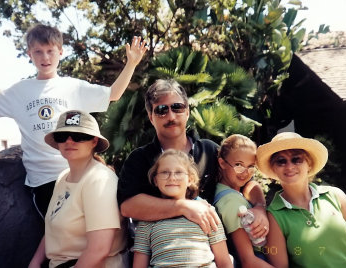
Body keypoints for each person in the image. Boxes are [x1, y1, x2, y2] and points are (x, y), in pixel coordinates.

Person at [0, 24, 148, 217]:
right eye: (38, 52)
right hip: (44, 181)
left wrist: (131, 63)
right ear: (29, 54)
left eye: (50, 51)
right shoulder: (19, 91)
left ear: (60, 52)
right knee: (62, 236)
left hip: (80, 174)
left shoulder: (73, 87)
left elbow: (113, 94)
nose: (45, 57)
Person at [117, 79, 268, 235]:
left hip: (216, 249)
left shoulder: (209, 151)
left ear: (187, 112)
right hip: (162, 252)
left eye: (177, 107)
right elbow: (128, 206)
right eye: (161, 110)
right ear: (151, 117)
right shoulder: (139, 159)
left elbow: (246, 182)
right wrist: (183, 207)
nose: (171, 116)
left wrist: (259, 207)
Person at [256, 132, 346, 268]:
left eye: (296, 159)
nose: (289, 166)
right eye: (281, 161)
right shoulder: (274, 215)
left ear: (309, 164)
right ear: (273, 169)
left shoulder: (335, 195)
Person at [28, 110, 127, 268]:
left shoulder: (99, 180)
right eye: (62, 136)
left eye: (79, 136)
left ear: (94, 141)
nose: (69, 141)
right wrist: (35, 262)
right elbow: (53, 228)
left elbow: (99, 250)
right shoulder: (63, 177)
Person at [133, 149, 233, 267]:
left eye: (179, 172)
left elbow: (224, 262)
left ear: (190, 179)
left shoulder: (206, 211)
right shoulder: (147, 219)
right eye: (165, 172)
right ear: (155, 180)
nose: (172, 177)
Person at [214, 134, 273, 268]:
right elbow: (248, 261)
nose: (245, 173)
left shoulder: (234, 191)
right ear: (222, 163)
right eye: (238, 165)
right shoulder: (231, 202)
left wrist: (260, 207)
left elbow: (253, 186)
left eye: (251, 166)